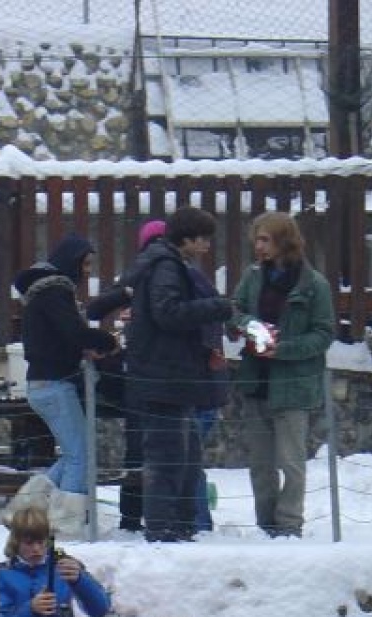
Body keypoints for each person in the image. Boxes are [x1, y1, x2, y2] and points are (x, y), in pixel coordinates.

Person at [123, 206, 234, 543]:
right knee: (168, 458)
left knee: (182, 458)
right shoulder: (167, 267)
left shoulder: (165, 264)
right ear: (186, 238)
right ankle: (164, 528)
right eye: (203, 239)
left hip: (171, 377)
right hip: (165, 377)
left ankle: (180, 525)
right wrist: (218, 307)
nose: (207, 247)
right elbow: (168, 313)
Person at [231, 211, 337, 539]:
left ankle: (290, 526)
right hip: (256, 380)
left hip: (292, 385)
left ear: (283, 241)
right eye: (256, 240)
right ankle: (266, 525)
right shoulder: (252, 277)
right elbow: (235, 310)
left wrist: (285, 348)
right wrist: (251, 327)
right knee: (260, 464)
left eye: (265, 240)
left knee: (291, 463)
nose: (258, 247)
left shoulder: (313, 285)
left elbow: (324, 334)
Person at [10, 233, 119, 538]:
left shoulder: (43, 293)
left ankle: (24, 509)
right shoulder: (56, 292)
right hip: (54, 384)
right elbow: (74, 332)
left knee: (73, 452)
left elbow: (60, 338)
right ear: (71, 261)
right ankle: (66, 522)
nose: (87, 271)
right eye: (85, 264)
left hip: (43, 383)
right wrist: (107, 342)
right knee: (80, 455)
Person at [84, 218, 166, 533]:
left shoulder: (137, 277)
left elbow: (95, 309)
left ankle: (131, 520)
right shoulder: (165, 277)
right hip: (162, 374)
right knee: (170, 451)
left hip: (138, 374)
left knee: (137, 450)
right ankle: (166, 518)